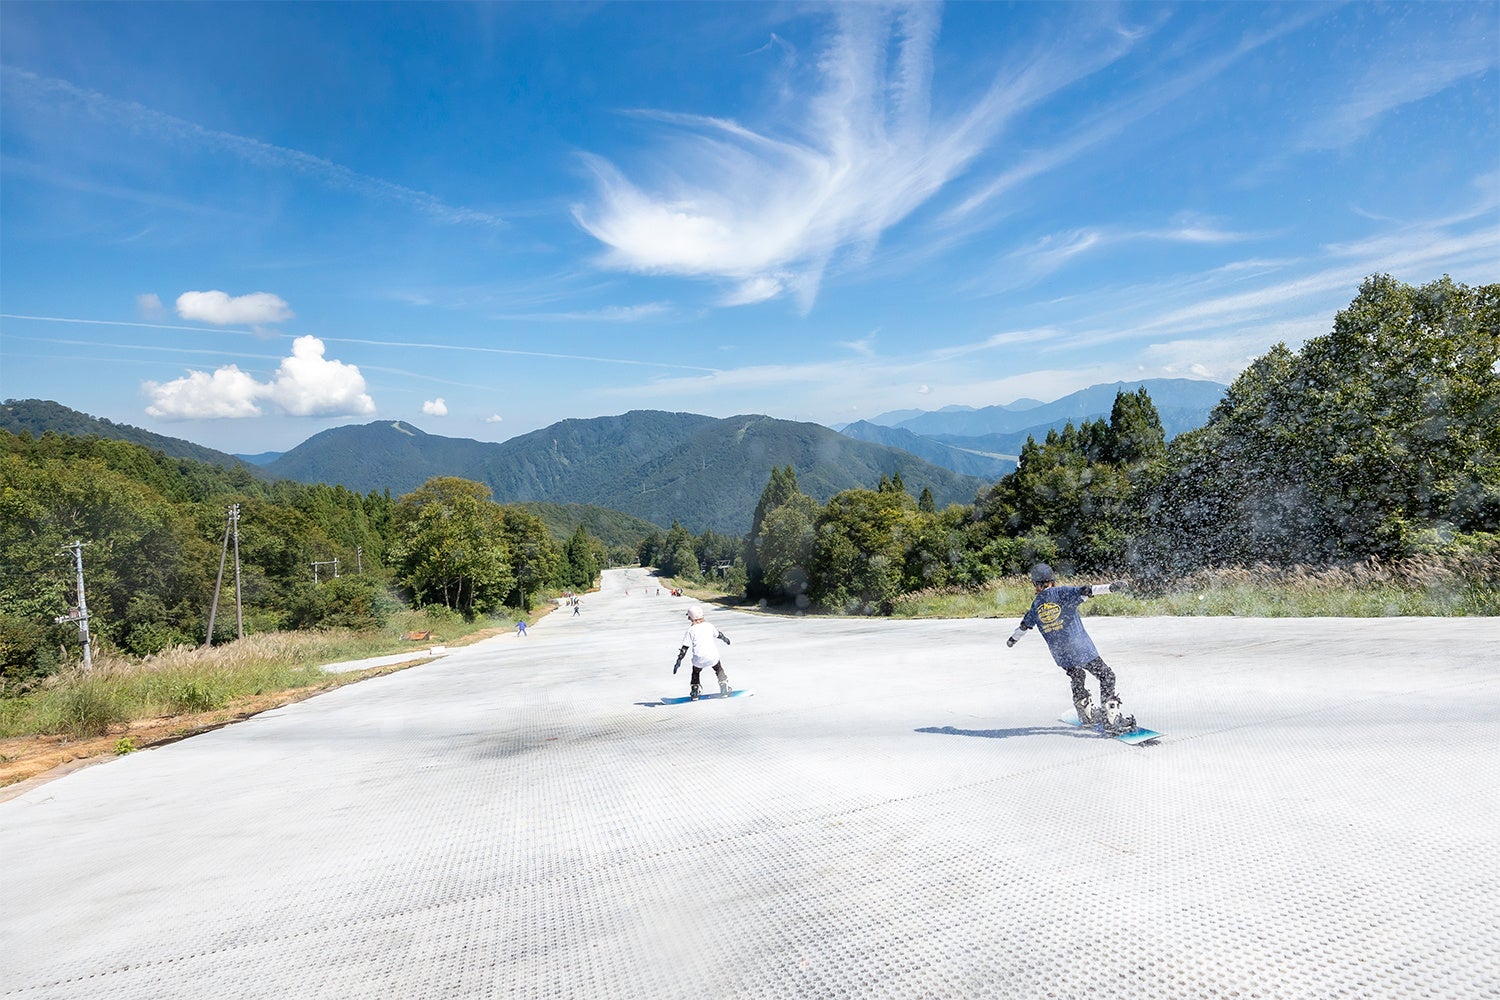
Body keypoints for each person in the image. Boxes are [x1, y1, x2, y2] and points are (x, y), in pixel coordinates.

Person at [1006, 563, 1135, 732]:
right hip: (1080, 649)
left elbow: (1023, 627)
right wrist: (1110, 587)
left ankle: (1086, 715)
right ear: (1052, 580)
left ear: (1034, 584)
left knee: (1077, 676)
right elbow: (1087, 590)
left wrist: (1012, 640)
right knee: (1106, 676)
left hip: (1060, 654)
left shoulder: (1036, 604)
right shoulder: (1062, 593)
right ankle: (1111, 720)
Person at [673, 604, 733, 701]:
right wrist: (726, 639)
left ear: (692, 618)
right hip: (712, 656)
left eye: (689, 616)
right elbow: (719, 635)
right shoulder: (709, 626)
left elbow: (684, 648)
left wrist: (678, 661)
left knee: (695, 672)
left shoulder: (690, 630)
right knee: (718, 668)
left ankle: (695, 691)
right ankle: (724, 687)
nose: (688, 618)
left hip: (699, 659)